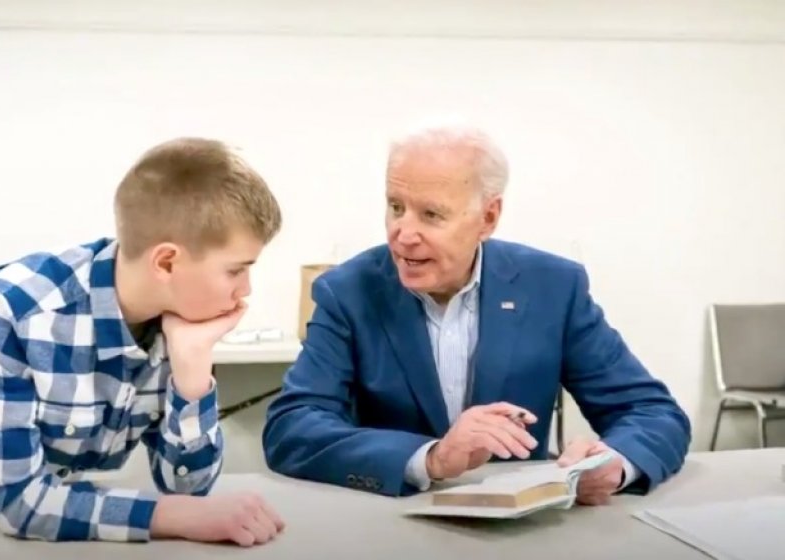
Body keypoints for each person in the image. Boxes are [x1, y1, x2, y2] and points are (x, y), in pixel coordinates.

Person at [262, 121, 691, 504]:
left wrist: (615, 463)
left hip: (519, 531)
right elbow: (293, 429)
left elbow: (652, 412)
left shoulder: (553, 287)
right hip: (388, 522)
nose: (402, 234)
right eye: (395, 207)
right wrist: (430, 459)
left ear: (488, 217)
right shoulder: (347, 292)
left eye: (431, 214)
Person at [0, 137, 286, 545]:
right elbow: (19, 503)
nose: (246, 290)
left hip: (59, 478)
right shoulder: (13, 308)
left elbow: (187, 491)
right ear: (166, 261)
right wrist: (172, 515)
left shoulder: (180, 321)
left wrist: (192, 367)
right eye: (236, 271)